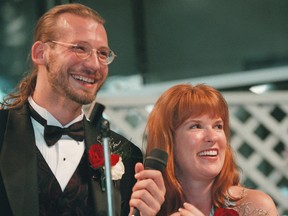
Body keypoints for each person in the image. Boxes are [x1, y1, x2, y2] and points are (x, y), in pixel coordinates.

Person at [0, 3, 165, 216]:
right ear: (41, 53)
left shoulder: (126, 156)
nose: (95, 65)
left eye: (103, 53)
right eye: (80, 48)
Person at [144, 83, 278, 216]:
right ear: (169, 140)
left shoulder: (256, 206)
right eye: (196, 126)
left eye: (218, 126)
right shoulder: (147, 207)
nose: (213, 137)